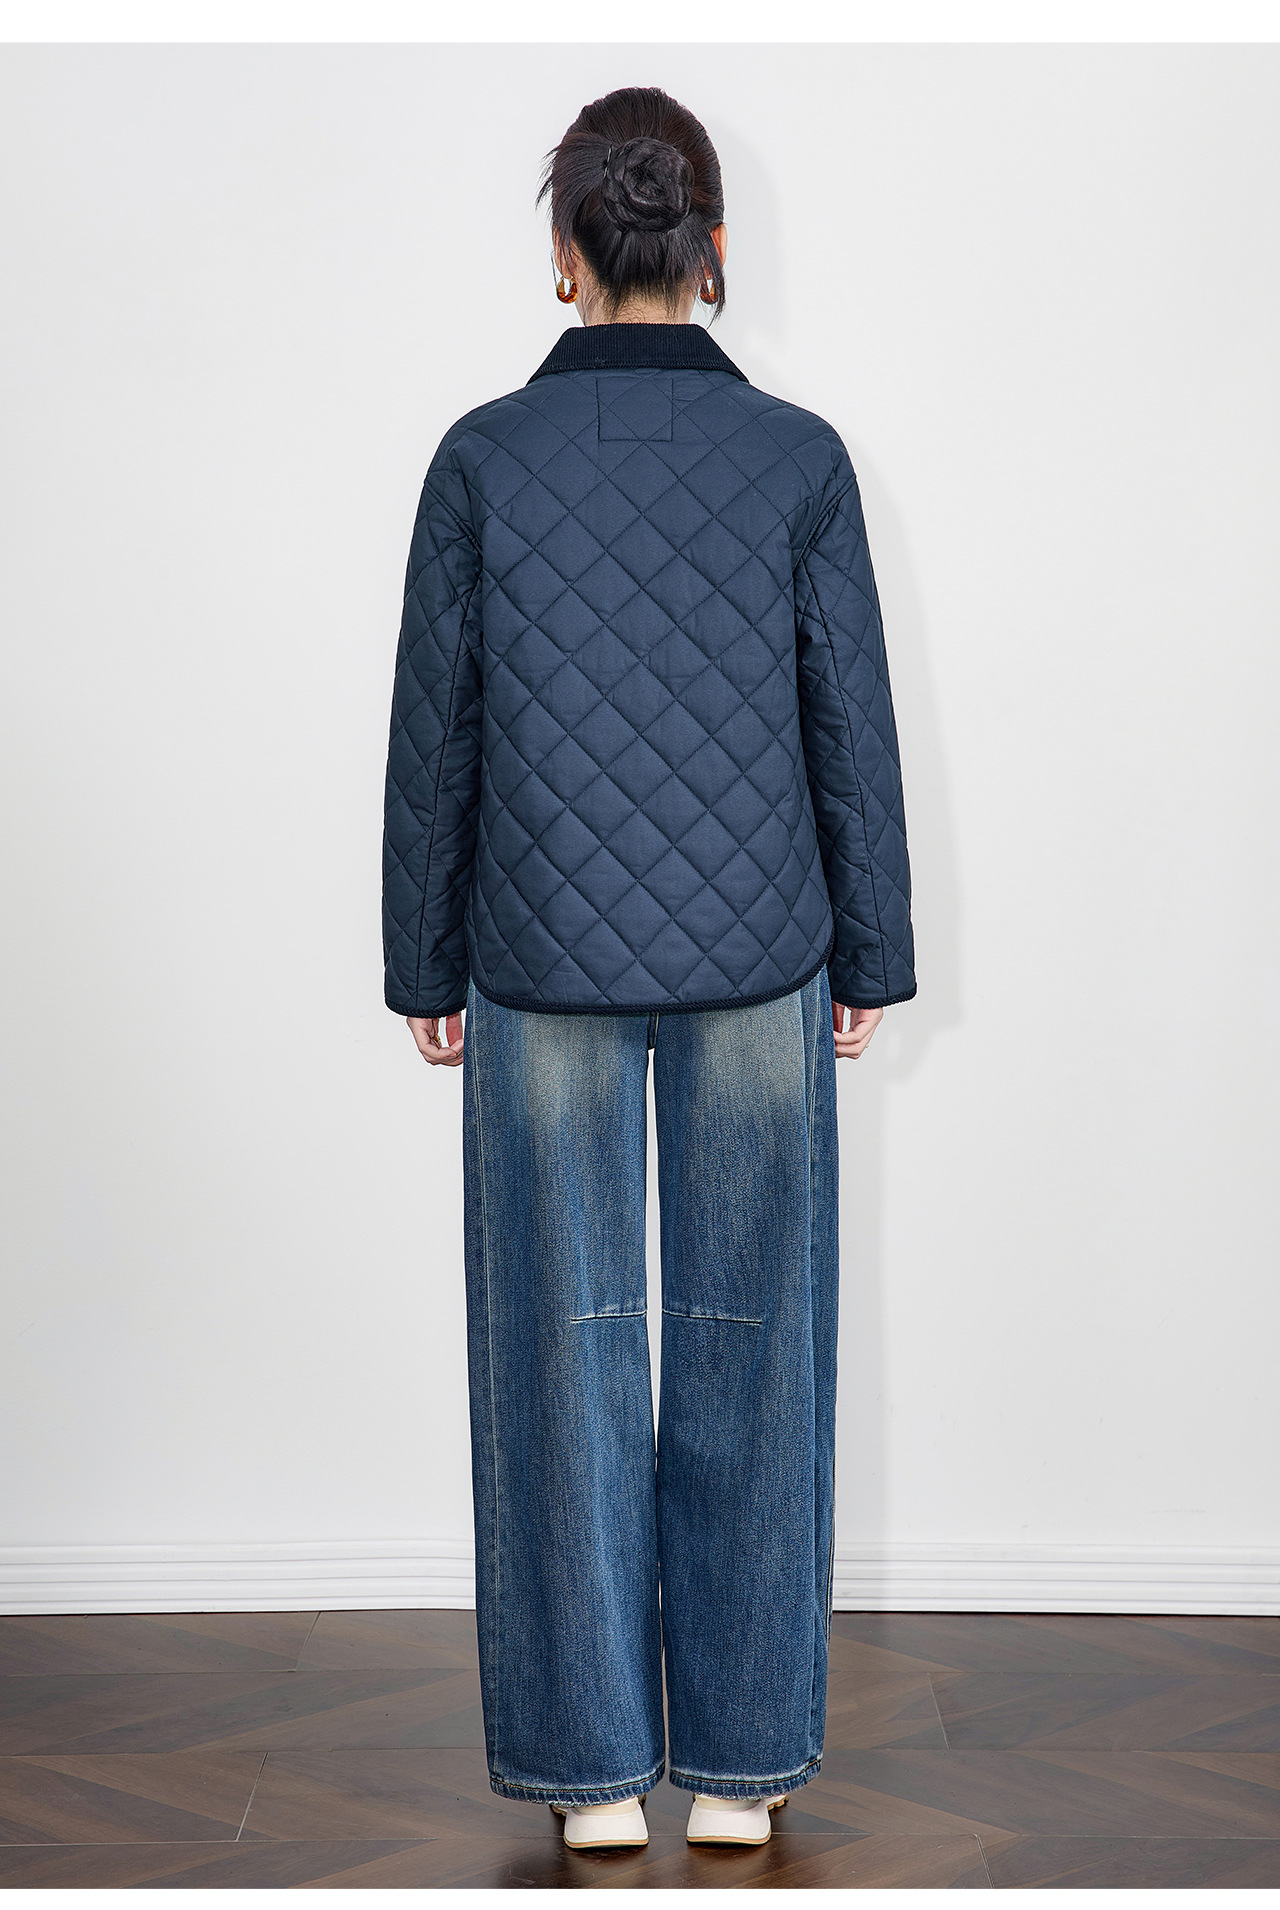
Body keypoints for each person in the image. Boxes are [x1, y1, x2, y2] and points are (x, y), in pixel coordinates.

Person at [381, 85, 915, 1854]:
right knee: (758, 1340)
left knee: (559, 1347)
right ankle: (745, 1770)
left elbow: (436, 736)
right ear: (712, 248)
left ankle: (593, 1772)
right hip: (763, 951)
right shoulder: (800, 459)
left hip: (535, 951)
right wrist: (872, 946)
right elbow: (851, 728)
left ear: (566, 254)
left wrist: (422, 956)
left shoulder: (481, 459)